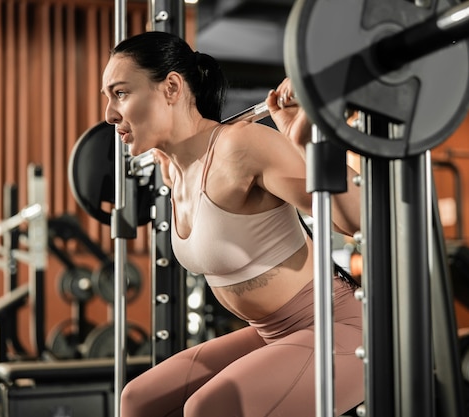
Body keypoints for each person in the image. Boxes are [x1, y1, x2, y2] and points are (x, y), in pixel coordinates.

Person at [101, 30, 363, 417]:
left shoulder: (240, 147)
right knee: (138, 402)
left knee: (210, 409)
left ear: (171, 87)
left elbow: (356, 221)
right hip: (272, 334)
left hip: (339, 327)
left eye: (120, 93)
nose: (108, 114)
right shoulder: (173, 170)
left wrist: (309, 145)